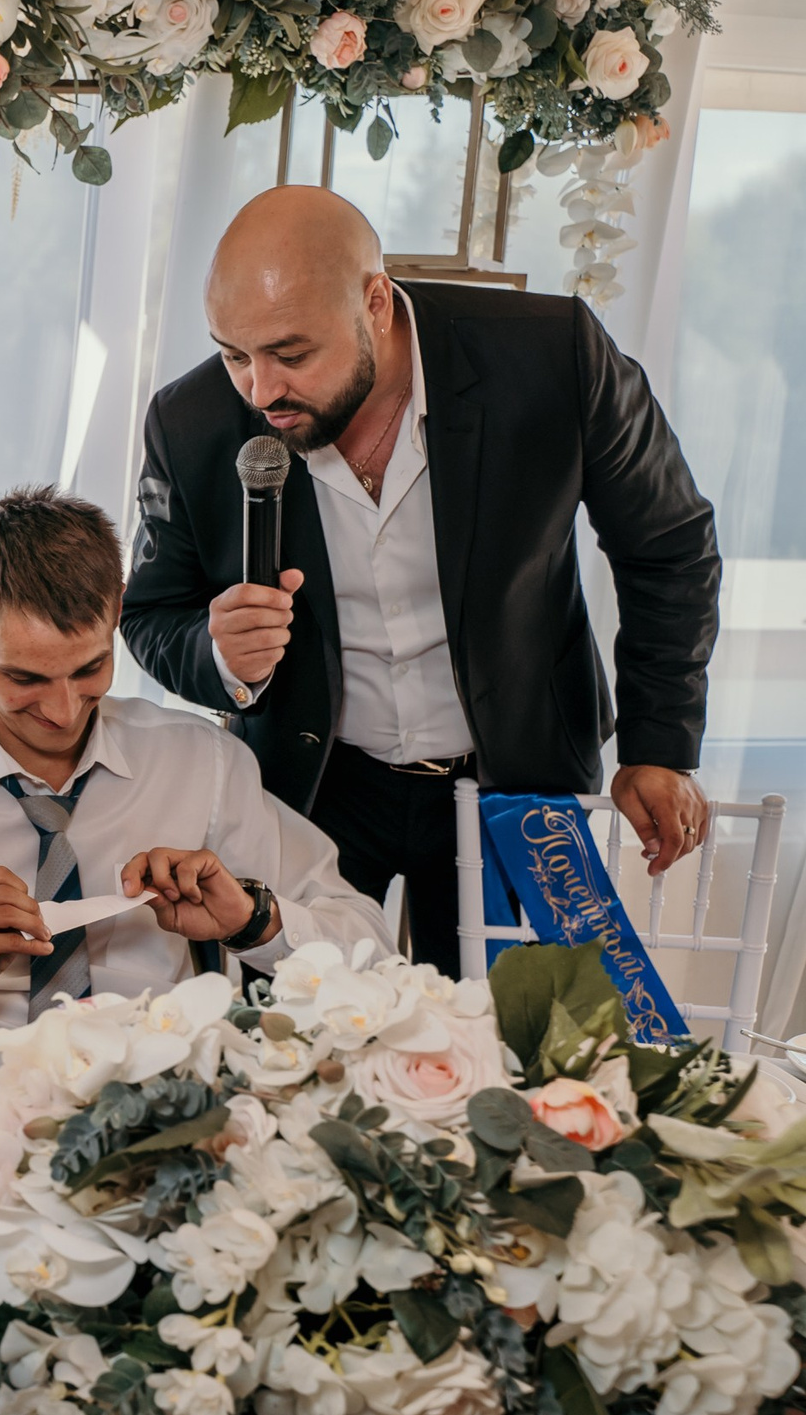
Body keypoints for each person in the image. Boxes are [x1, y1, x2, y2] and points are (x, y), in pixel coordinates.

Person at [121, 186, 719, 970]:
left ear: (375, 302)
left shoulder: (552, 354)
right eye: (235, 355)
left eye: (291, 354)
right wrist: (219, 656)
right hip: (313, 783)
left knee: (520, 1043)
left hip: (516, 770)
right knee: (300, 1050)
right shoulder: (188, 420)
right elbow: (152, 613)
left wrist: (660, 742)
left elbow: (668, 542)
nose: (261, 391)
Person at [0, 487, 387, 1072]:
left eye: (90, 668)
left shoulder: (202, 764)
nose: (62, 711)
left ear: (117, 608)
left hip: (160, 1118)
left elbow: (373, 953)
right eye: (24, 678)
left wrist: (252, 920)